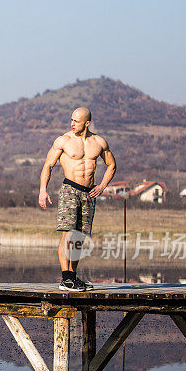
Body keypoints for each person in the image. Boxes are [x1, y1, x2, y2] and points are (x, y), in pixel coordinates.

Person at [38, 107, 116, 291]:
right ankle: (66, 278)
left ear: (87, 123)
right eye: (71, 120)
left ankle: (73, 277)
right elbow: (48, 165)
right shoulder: (63, 140)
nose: (72, 124)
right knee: (68, 232)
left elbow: (112, 165)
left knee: (80, 236)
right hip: (70, 189)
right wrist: (43, 190)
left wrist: (102, 185)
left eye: (77, 121)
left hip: (89, 193)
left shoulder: (99, 142)